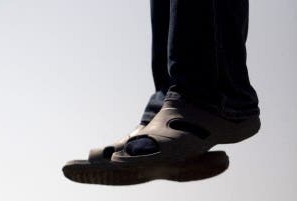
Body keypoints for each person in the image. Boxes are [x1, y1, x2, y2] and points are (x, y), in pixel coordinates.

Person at [63, 0, 260, 185]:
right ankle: (172, 101)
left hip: (209, 100)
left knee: (196, 92)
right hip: (181, 97)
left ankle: (210, 98)